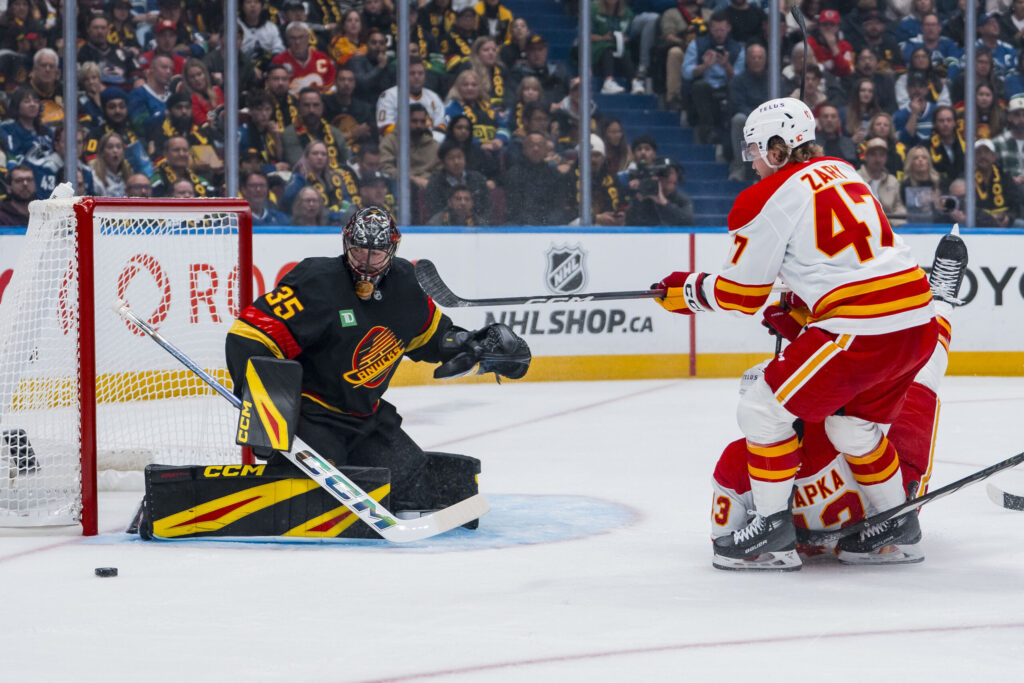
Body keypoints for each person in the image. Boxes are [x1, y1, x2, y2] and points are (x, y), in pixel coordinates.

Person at [652, 97, 938, 569]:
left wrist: (688, 290)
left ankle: (772, 535)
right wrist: (802, 302)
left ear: (779, 148)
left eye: (756, 152)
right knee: (854, 428)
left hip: (859, 330)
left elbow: (743, 295)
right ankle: (898, 524)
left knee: (762, 408)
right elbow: (840, 261)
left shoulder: (764, 197)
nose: (752, 164)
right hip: (916, 321)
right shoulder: (843, 170)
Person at [224, 206, 530, 514]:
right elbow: (249, 337)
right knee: (319, 501)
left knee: (414, 482)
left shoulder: (405, 286)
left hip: (364, 419)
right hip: (311, 418)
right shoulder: (317, 282)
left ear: (392, 249)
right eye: (359, 252)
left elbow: (434, 338)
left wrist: (474, 343)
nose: (366, 263)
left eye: (376, 254)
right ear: (346, 244)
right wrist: (265, 414)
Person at [711, 229, 969, 569]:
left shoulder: (735, 462)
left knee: (919, 366)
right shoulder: (826, 428)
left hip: (876, 494)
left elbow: (724, 543)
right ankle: (938, 301)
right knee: (925, 365)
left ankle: (937, 297)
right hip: (884, 492)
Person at [682, 10, 745, 145]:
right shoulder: (697, 44)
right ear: (710, 28)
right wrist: (703, 67)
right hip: (705, 88)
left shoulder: (737, 48)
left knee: (735, 88)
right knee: (699, 86)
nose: (719, 34)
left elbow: (741, 78)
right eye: (715, 30)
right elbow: (686, 72)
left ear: (728, 28)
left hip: (727, 87)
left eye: (722, 30)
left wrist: (727, 67)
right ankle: (708, 129)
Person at [504, 131, 571, 226]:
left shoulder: (554, 174)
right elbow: (515, 208)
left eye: (540, 145)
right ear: (524, 149)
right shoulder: (514, 174)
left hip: (549, 224)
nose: (536, 149)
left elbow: (558, 206)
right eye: (531, 145)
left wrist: (548, 224)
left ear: (546, 150)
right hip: (522, 225)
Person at [376, 57, 447, 142]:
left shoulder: (434, 97)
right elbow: (385, 128)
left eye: (420, 73)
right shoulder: (389, 96)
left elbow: (440, 126)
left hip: (427, 144)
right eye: (412, 73)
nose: (416, 77)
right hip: (398, 145)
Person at [281, 86, 351, 168]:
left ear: (322, 107)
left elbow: (347, 161)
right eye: (306, 105)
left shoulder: (334, 132)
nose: (311, 110)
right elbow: (300, 164)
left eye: (316, 105)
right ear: (298, 108)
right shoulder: (289, 134)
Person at [424, 140, 491, 225]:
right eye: (451, 158)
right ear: (443, 162)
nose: (456, 162)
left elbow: (486, 208)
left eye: (459, 157)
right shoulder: (435, 183)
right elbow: (435, 211)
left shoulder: (477, 179)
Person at [624, 157, 694, 226]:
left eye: (668, 173)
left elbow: (688, 222)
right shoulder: (645, 198)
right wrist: (638, 201)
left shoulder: (682, 200)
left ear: (677, 176)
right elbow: (631, 223)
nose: (665, 178)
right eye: (660, 174)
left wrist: (664, 202)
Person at [273, 22, 336, 95]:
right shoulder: (279, 61)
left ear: (308, 37)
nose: (297, 42)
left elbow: (331, 86)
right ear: (287, 40)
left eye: (301, 37)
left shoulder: (321, 58)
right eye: (293, 38)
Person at [857, 137, 907, 225]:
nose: (878, 159)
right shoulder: (855, 178)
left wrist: (886, 224)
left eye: (882, 155)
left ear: (886, 158)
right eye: (873, 154)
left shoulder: (892, 181)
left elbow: (900, 210)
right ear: (866, 156)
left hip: (890, 228)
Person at [972, 138, 1021, 227]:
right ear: (973, 157)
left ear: (994, 156)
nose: (982, 156)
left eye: (986, 152)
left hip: (1006, 223)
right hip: (978, 223)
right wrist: (989, 219)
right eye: (978, 153)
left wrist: (1009, 217)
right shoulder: (968, 178)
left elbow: (1015, 204)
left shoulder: (1005, 176)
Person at [900, 146, 942, 223]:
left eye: (924, 157)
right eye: (916, 158)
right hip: (912, 225)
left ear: (928, 161)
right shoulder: (905, 185)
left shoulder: (938, 183)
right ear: (910, 162)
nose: (920, 160)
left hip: (937, 225)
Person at [89, 132, 133, 198]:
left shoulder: (129, 176)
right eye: (110, 147)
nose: (115, 150)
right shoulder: (94, 177)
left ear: (123, 152)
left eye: (118, 147)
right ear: (102, 152)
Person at [993, 93, 1024, 184]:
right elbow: (992, 174)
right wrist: (1009, 180)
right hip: (1006, 193)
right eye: (1017, 115)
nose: (1022, 119)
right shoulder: (997, 143)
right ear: (1009, 117)